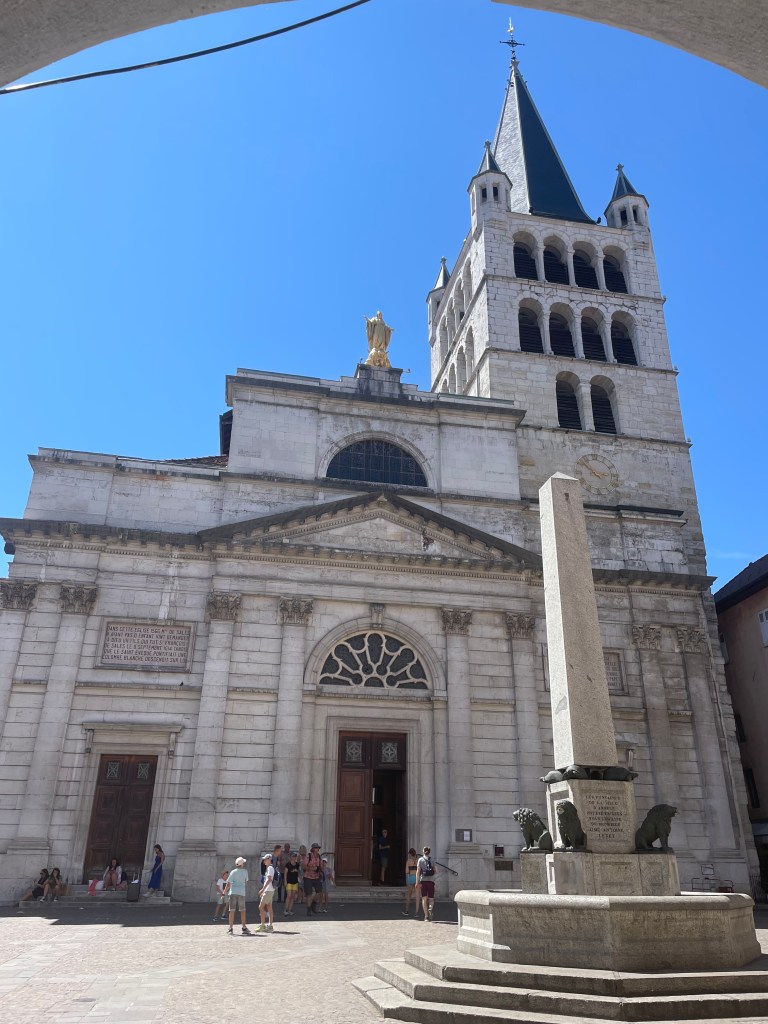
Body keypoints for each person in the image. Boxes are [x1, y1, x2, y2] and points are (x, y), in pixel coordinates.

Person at [225, 856, 252, 936]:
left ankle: (230, 928)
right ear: (242, 864)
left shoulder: (233, 872)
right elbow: (246, 881)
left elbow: (228, 883)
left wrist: (224, 891)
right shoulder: (245, 872)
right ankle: (243, 927)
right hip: (241, 893)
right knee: (242, 911)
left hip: (233, 892)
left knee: (231, 911)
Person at [416, 846, 438, 922]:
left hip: (423, 881)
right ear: (429, 852)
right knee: (431, 899)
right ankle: (430, 908)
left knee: (424, 899)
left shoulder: (420, 860)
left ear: (423, 851)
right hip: (431, 881)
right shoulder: (432, 860)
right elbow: (436, 870)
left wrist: (417, 882)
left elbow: (418, 872)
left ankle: (426, 916)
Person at [256, 852, 276, 932]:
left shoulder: (270, 868)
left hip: (268, 890)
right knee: (269, 907)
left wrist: (262, 890)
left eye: (265, 859)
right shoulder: (269, 868)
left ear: (269, 860)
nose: (264, 861)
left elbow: (269, 880)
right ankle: (270, 925)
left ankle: (263, 925)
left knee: (261, 907)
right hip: (269, 890)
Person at [303, 842, 323, 916]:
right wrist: (312, 868)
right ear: (313, 849)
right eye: (316, 848)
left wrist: (320, 870)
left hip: (316, 877)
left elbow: (320, 867)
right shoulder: (308, 857)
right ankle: (308, 909)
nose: (317, 849)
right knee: (309, 894)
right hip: (308, 877)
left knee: (319, 892)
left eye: (318, 848)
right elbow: (304, 867)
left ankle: (313, 903)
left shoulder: (319, 857)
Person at [402, 848, 419, 916]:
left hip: (411, 877)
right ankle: (416, 912)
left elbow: (406, 871)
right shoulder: (417, 861)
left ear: (410, 854)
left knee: (409, 895)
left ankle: (407, 911)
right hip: (417, 878)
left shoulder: (408, 861)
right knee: (417, 896)